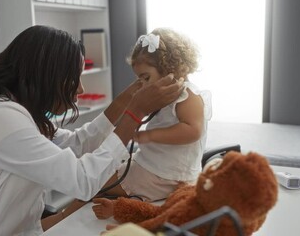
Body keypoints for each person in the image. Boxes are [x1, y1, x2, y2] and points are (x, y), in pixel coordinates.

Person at [0, 25, 183, 236]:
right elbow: (82, 180)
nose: (80, 89)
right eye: (74, 78)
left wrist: (128, 98)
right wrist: (135, 113)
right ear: (47, 76)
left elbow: (78, 144)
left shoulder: (20, 112)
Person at [84, 27, 212, 220]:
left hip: (165, 175)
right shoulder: (166, 96)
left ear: (171, 69)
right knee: (98, 174)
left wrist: (149, 135)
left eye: (146, 78)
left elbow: (193, 131)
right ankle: (62, 217)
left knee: (96, 181)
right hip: (154, 165)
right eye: (140, 79)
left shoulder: (188, 96)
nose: (143, 84)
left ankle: (121, 207)